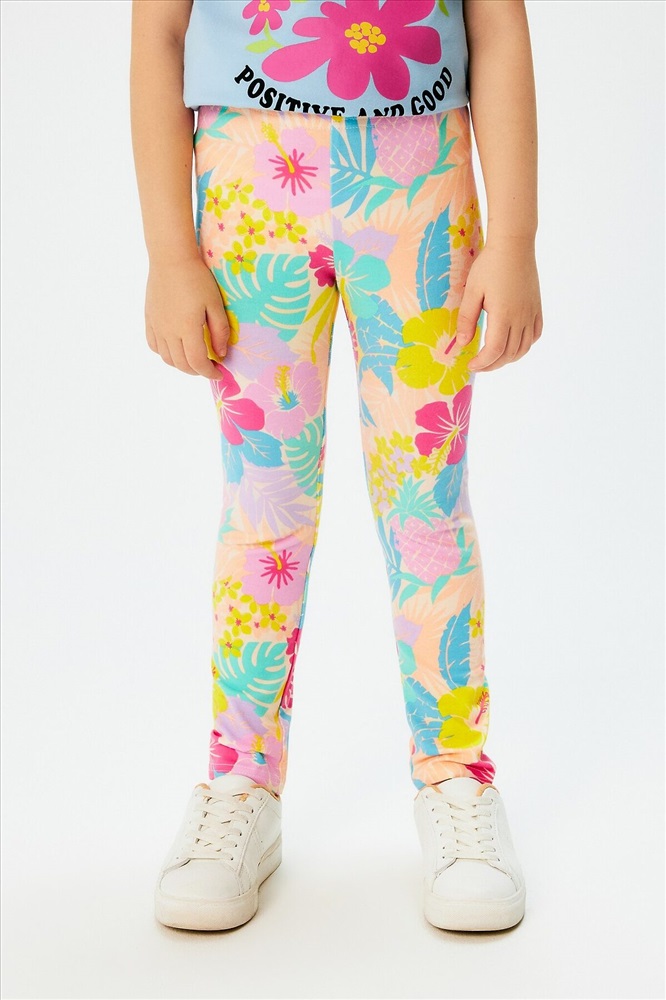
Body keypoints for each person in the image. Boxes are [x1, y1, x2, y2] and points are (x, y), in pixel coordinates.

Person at [130, 0, 542, 934]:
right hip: (249, 179)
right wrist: (168, 252)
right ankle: (241, 782)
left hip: (420, 175)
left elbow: (498, 24)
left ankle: (457, 778)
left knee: (426, 502)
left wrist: (514, 238)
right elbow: (158, 31)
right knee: (264, 507)